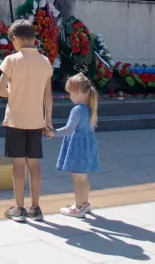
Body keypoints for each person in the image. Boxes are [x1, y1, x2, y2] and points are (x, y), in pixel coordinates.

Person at [0, 19, 54, 222]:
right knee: (34, 165)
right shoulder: (45, 61)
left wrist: (14, 91)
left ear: (16, 38)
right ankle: (35, 208)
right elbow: (48, 96)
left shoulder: (11, 60)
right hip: (37, 121)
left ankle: (19, 208)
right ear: (33, 38)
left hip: (15, 120)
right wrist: (49, 122)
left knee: (18, 164)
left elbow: (0, 90)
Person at [51, 72, 101, 218]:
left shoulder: (77, 109)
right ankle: (84, 203)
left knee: (77, 179)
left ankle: (78, 207)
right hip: (88, 146)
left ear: (77, 92)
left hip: (78, 147)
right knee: (83, 178)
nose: (69, 97)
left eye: (70, 93)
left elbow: (68, 129)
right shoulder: (90, 107)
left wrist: (53, 132)